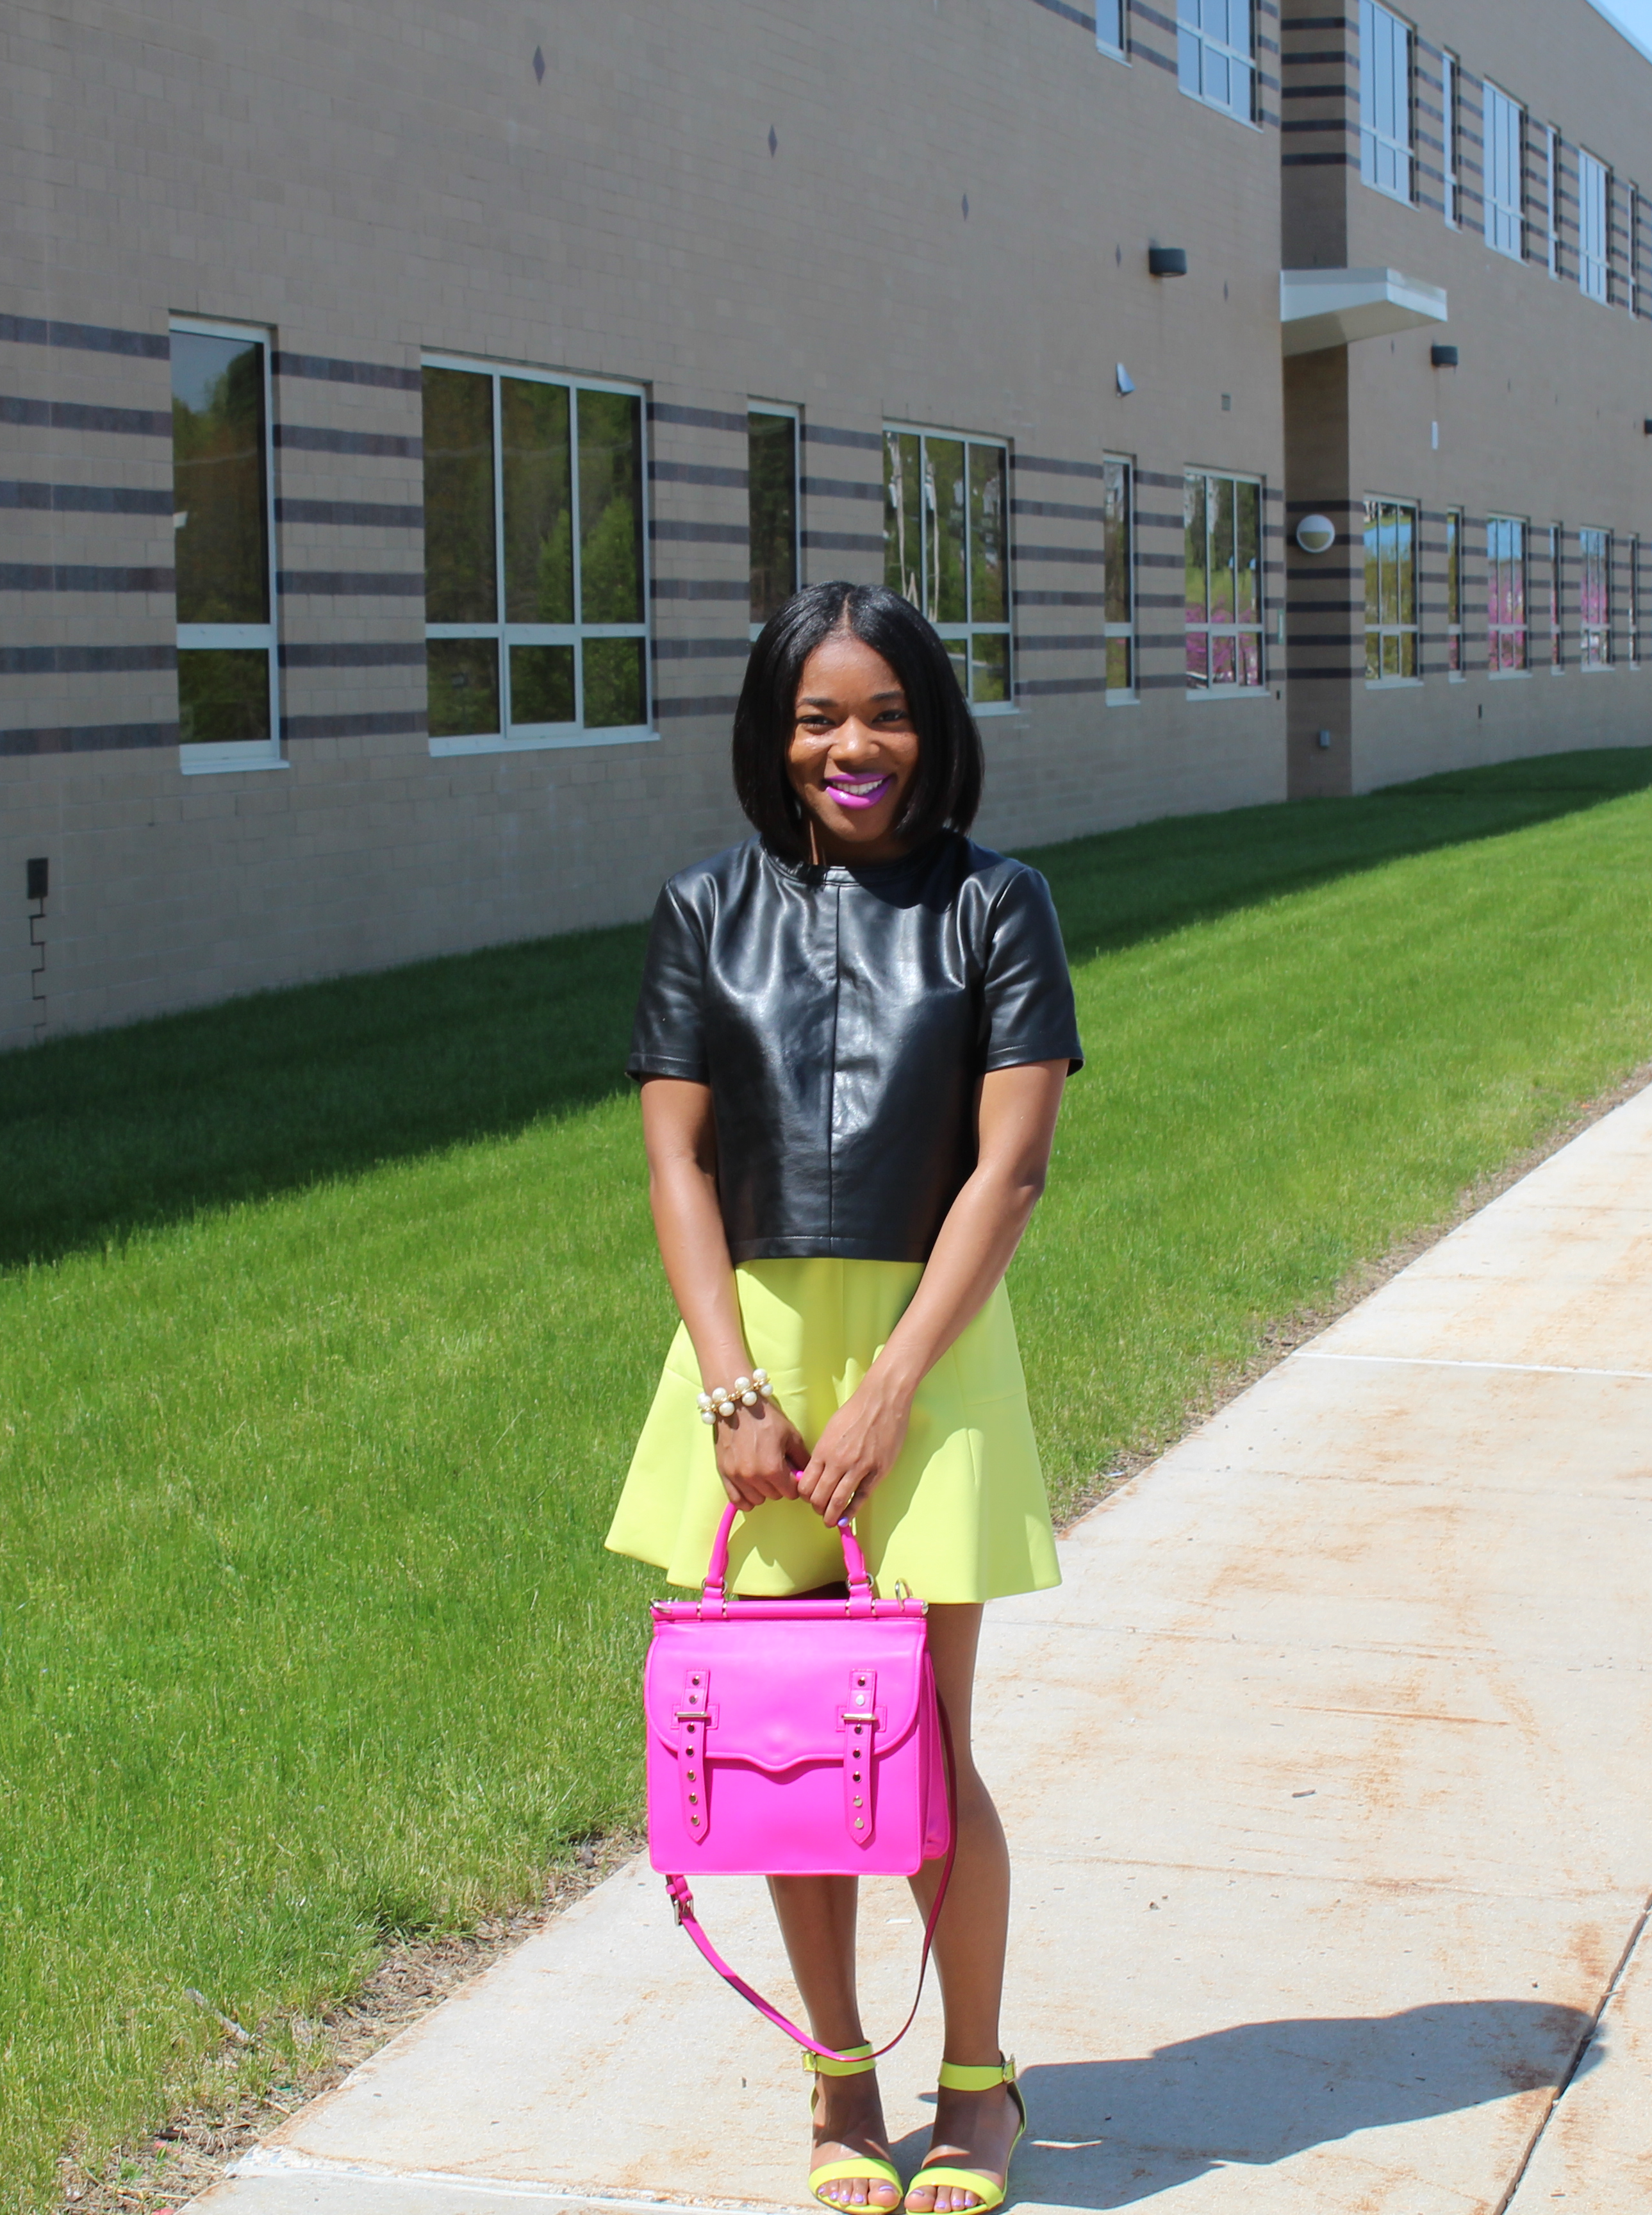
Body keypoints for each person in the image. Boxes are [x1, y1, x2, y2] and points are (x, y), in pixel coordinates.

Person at [609, 580, 1080, 2214]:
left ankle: (978, 2084)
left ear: (934, 726)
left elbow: (1009, 1170)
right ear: (774, 735)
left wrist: (890, 1388)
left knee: (928, 1746)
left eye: (884, 711)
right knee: (800, 1748)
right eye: (819, 717)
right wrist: (732, 1385)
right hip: (752, 1378)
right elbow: (673, 1159)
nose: (853, 746)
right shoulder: (700, 910)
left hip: (926, 1371)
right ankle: (839, 2081)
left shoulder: (998, 905)